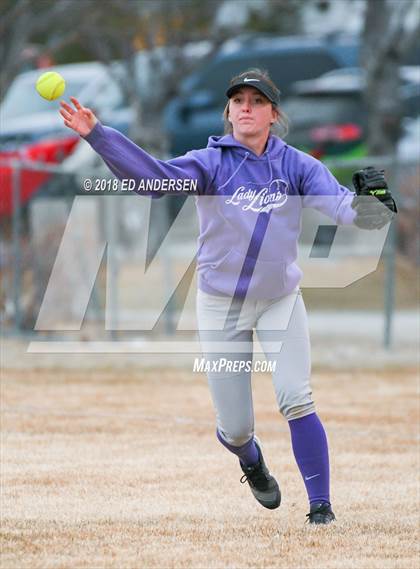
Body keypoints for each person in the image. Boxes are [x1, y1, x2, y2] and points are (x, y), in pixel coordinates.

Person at [59, 68, 397, 524]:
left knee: (296, 397)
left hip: (280, 299)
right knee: (236, 427)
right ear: (228, 111)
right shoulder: (211, 163)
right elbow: (154, 181)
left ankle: (321, 507)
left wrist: (369, 211)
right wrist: (99, 135)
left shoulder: (296, 164)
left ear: (273, 114)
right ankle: (251, 460)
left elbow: (338, 203)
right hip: (221, 305)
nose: (245, 107)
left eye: (257, 101)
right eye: (238, 100)